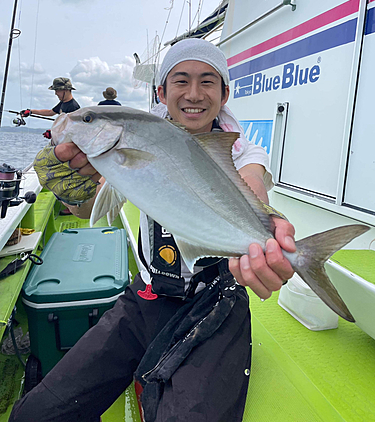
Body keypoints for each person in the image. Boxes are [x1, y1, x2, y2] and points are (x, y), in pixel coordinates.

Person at [10, 39, 296, 422]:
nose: (194, 94)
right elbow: (90, 206)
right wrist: (70, 188)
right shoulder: (141, 135)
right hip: (146, 295)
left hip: (216, 299)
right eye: (181, 81)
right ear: (162, 91)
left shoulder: (241, 150)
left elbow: (251, 181)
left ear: (225, 93)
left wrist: (268, 227)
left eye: (208, 82)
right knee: (40, 412)